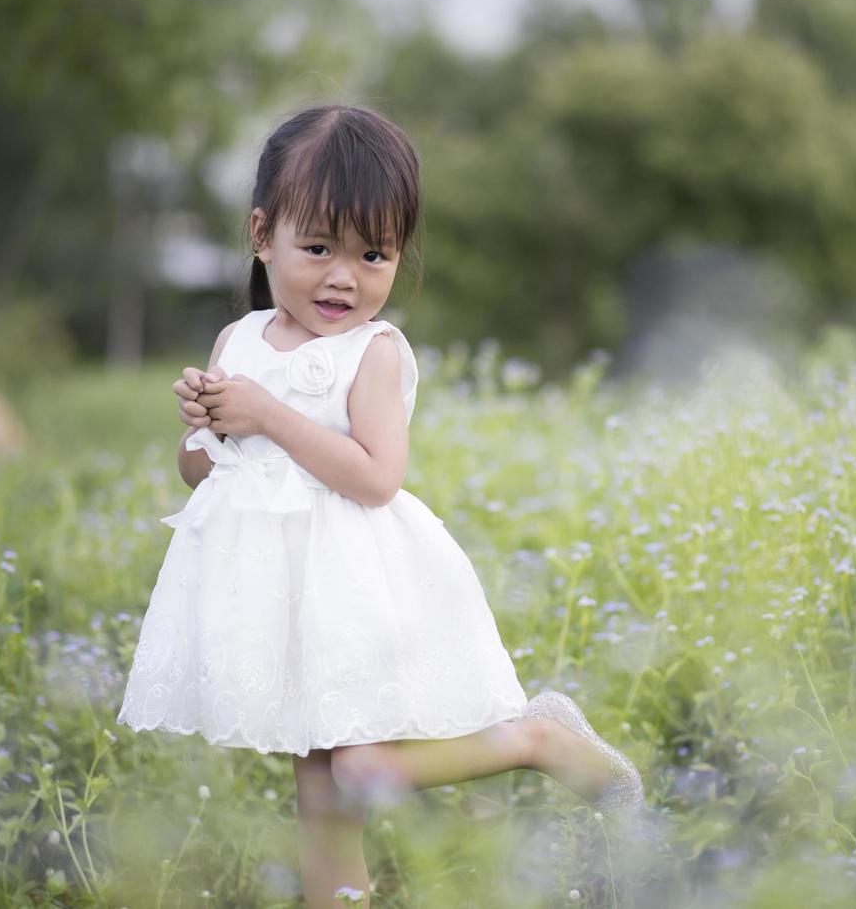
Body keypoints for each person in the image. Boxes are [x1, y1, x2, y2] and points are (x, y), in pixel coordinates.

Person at [114, 103, 643, 907]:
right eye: (318, 247)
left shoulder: (374, 351)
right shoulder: (238, 340)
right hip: (278, 598)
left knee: (360, 771)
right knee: (320, 802)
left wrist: (268, 415)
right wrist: (205, 424)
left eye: (373, 254)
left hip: (354, 588)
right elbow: (202, 473)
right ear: (263, 235)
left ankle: (539, 739)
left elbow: (375, 477)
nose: (343, 277)